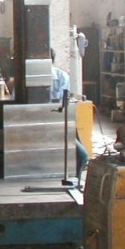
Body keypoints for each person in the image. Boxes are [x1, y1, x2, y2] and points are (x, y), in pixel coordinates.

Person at [51, 49, 88, 180]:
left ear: (51, 61)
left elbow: (63, 104)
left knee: (83, 155)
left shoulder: (62, 77)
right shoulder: (26, 79)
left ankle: (76, 181)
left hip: (59, 124)